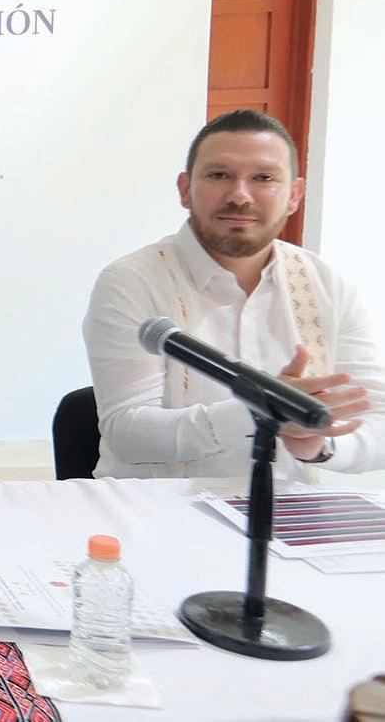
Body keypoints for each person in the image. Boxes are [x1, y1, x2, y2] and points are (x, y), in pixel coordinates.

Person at [84, 109, 382, 479]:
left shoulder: (328, 285)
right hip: (157, 506)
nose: (240, 195)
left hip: (287, 506)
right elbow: (128, 433)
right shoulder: (131, 281)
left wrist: (320, 446)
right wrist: (261, 409)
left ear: (294, 195)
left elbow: (377, 418)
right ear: (185, 189)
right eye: (219, 175)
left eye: (263, 178)